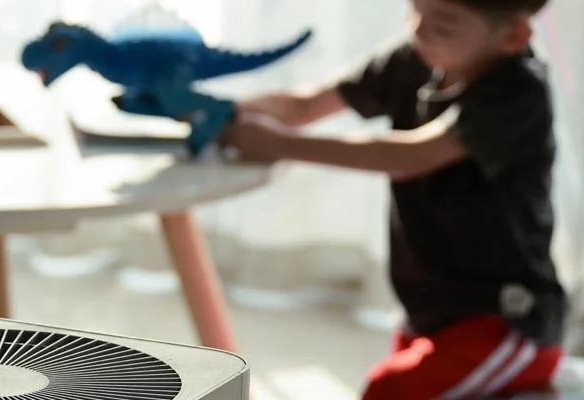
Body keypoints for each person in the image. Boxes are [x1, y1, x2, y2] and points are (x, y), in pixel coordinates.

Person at [222, 0, 567, 398]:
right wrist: (225, 114)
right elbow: (305, 106)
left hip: (507, 323)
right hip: (429, 313)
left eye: (444, 24)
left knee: (387, 389)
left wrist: (280, 145)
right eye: (415, 10)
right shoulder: (413, 60)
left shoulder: (517, 90)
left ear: (513, 35)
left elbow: (411, 155)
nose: (419, 30)